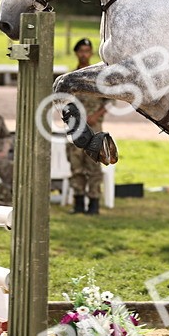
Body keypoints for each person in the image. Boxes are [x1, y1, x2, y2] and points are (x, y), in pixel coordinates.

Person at [66, 38, 106, 215]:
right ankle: (78, 203)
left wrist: (95, 116)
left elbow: (109, 102)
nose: (84, 54)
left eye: (87, 51)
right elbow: (63, 102)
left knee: (94, 166)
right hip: (76, 128)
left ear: (91, 53)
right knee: (76, 166)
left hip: (95, 129)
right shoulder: (69, 78)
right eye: (81, 50)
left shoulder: (98, 76)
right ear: (76, 52)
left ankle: (94, 204)